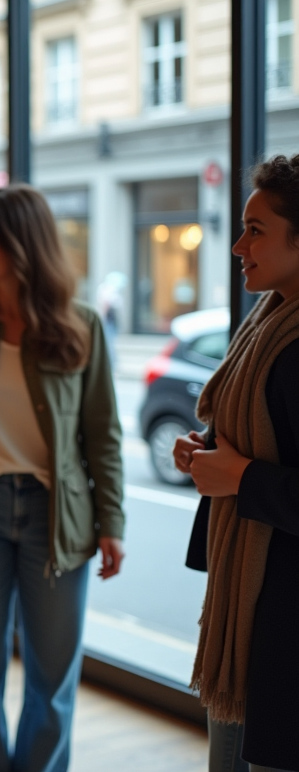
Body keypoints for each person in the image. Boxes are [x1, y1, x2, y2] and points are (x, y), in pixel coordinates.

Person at [0, 184, 125, 772]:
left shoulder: (81, 325)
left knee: (53, 676)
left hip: (56, 518)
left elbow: (103, 435)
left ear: (21, 241)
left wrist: (112, 522)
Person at [174, 155, 299, 772]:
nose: (238, 245)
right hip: (253, 603)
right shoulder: (272, 319)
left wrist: (242, 477)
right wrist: (209, 451)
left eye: (257, 229)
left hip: (284, 623)